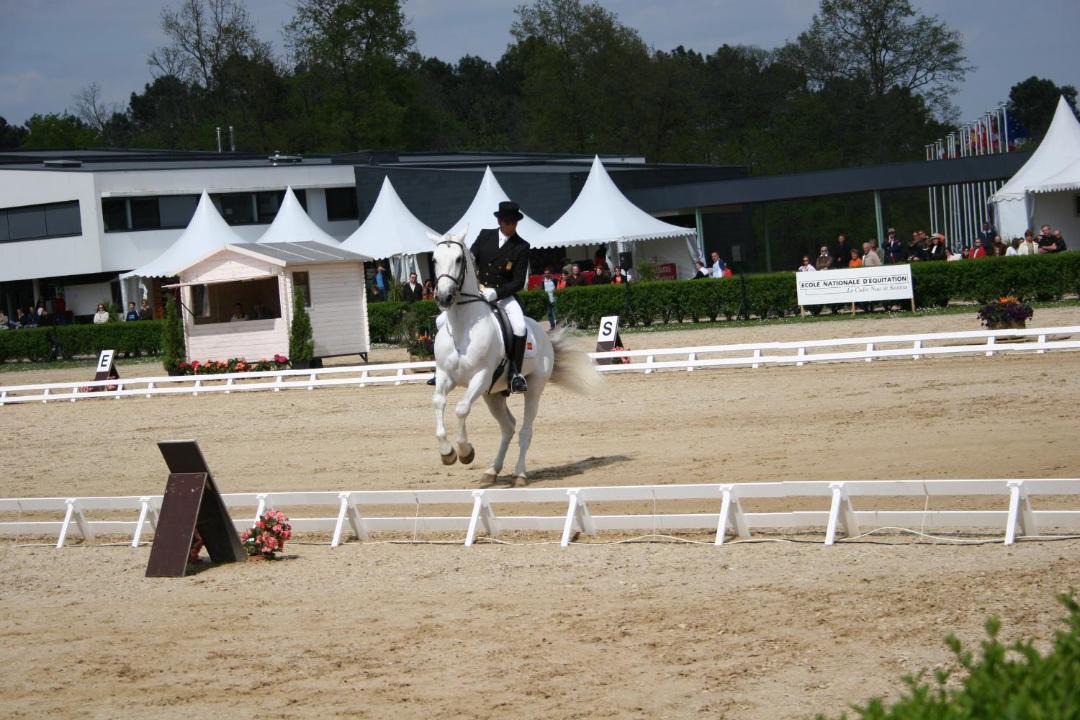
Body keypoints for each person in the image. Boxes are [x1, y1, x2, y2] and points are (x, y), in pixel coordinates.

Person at [472, 200, 531, 394]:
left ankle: (515, 374)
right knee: (442, 319)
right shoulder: (484, 236)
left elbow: (518, 281)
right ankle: (443, 368)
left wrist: (497, 293)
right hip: (480, 292)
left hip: (503, 295)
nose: (511, 227)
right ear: (500, 222)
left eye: (514, 223)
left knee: (520, 327)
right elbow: (471, 261)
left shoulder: (521, 246)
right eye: (508, 222)